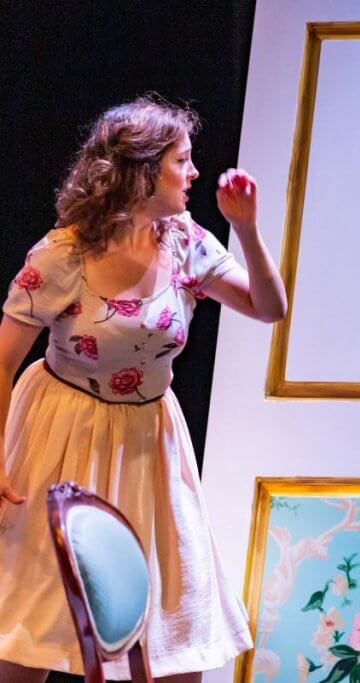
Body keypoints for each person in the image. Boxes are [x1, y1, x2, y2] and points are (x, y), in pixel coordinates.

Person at [0, 96, 287, 682]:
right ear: (141, 170)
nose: (195, 172)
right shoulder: (63, 254)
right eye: (182, 160)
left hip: (148, 441)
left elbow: (269, 306)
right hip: (62, 431)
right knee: (33, 618)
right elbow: (2, 361)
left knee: (173, 621)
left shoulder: (184, 241)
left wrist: (246, 230)